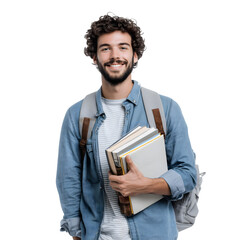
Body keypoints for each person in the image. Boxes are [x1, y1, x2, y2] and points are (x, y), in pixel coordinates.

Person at [56, 14, 197, 240]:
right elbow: (69, 180)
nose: (115, 56)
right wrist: (76, 232)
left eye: (123, 47)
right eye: (105, 49)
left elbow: (188, 174)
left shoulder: (164, 108)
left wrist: (146, 185)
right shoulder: (77, 115)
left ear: (135, 54)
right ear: (94, 56)